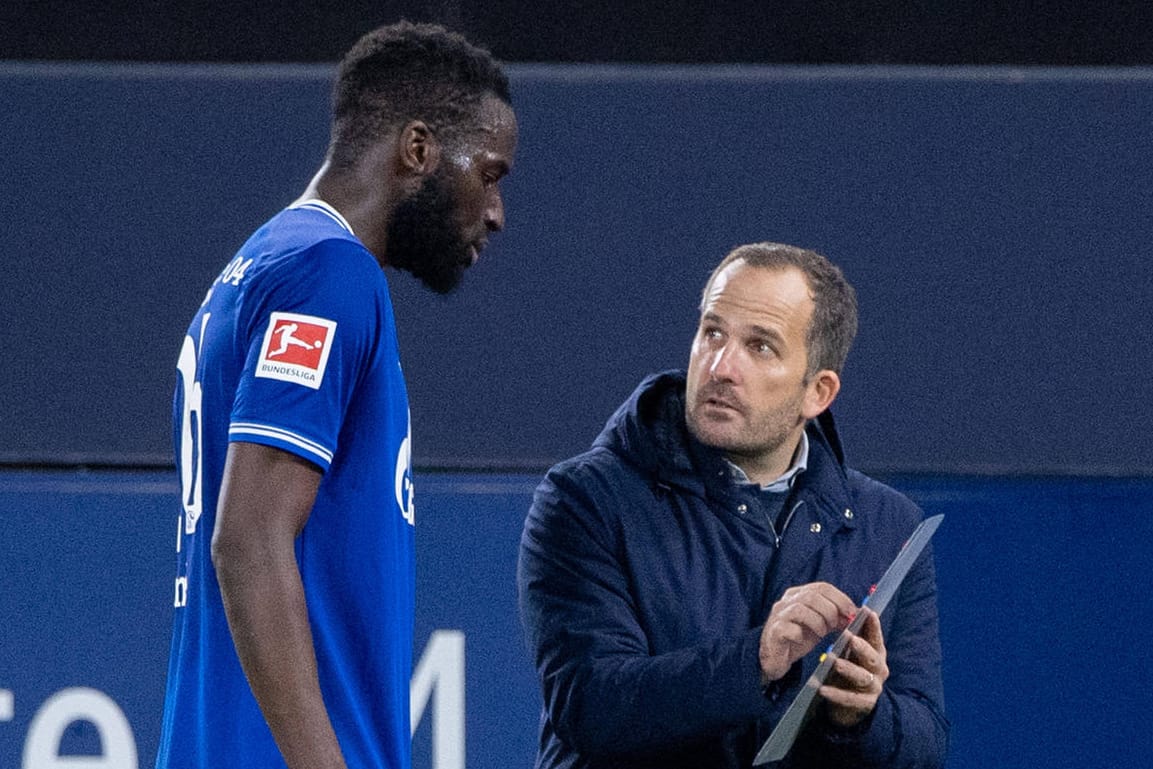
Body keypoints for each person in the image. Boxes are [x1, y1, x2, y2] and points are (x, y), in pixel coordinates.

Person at [157, 21, 517, 769]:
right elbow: (248, 539)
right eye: (488, 173)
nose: (494, 212)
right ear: (417, 150)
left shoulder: (261, 264)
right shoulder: (328, 276)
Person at [517, 243, 948, 769]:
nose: (721, 366)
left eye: (760, 346)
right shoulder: (585, 499)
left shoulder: (888, 525)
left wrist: (860, 717)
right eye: (712, 333)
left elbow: (926, 741)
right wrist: (758, 660)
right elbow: (592, 706)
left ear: (818, 392)